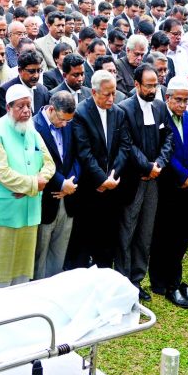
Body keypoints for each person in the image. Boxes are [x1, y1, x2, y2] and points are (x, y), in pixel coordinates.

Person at [0, 84, 55, 288]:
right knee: (1, 270)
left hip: (30, 210)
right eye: (20, 106)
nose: (26, 111)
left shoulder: (31, 129)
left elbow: (49, 163)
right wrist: (33, 184)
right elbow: (3, 173)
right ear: (8, 108)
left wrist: (35, 184)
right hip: (6, 211)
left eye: (28, 106)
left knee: (23, 271)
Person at [117, 64, 173, 299]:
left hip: (153, 180)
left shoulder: (160, 107)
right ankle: (122, 281)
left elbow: (168, 135)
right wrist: (147, 166)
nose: (153, 89)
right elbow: (127, 144)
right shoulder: (125, 109)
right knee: (126, 232)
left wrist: (158, 163)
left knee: (145, 232)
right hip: (133, 179)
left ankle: (137, 279)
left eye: (156, 85)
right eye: (148, 85)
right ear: (136, 84)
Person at [69, 70, 131, 269]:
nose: (112, 98)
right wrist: (101, 180)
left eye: (114, 93)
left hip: (113, 187)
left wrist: (113, 176)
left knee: (108, 240)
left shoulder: (118, 113)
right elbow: (83, 152)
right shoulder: (81, 113)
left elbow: (124, 147)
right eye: (107, 94)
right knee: (85, 239)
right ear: (94, 92)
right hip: (90, 189)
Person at [149, 77, 188, 308]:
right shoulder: (161, 120)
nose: (182, 105)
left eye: (185, 100)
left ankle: (175, 277)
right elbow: (165, 154)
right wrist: (182, 175)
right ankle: (159, 280)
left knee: (181, 236)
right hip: (169, 184)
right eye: (178, 100)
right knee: (163, 235)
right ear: (168, 98)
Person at [33, 91, 79, 280]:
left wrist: (71, 182)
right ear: (51, 109)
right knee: (40, 252)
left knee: (59, 249)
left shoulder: (67, 122)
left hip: (68, 197)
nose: (64, 124)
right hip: (47, 198)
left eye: (68, 120)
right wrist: (61, 183)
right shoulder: (35, 126)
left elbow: (76, 155)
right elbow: (38, 163)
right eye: (61, 119)